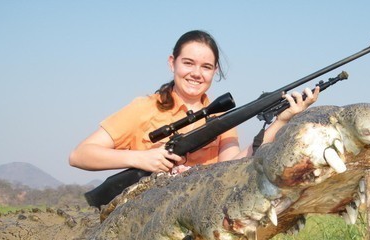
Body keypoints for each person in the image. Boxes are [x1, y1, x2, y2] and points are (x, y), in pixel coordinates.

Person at [69, 30, 319, 175]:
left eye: (206, 67)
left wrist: (280, 123)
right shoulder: (144, 108)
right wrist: (140, 159)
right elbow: (79, 155)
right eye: (188, 63)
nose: (196, 73)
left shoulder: (221, 120)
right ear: (172, 63)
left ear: (215, 71)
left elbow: (230, 169)